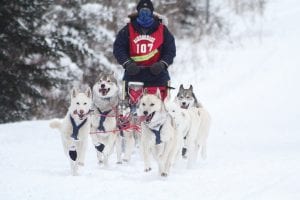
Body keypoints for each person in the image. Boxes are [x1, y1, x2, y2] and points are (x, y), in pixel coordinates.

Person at [113, 0, 176, 101]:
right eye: (142, 10)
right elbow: (118, 48)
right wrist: (127, 64)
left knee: (159, 107)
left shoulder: (163, 30)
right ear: (138, 12)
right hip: (134, 74)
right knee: (131, 109)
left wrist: (162, 64)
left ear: (151, 12)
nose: (144, 13)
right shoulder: (127, 29)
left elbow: (170, 50)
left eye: (147, 10)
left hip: (157, 75)